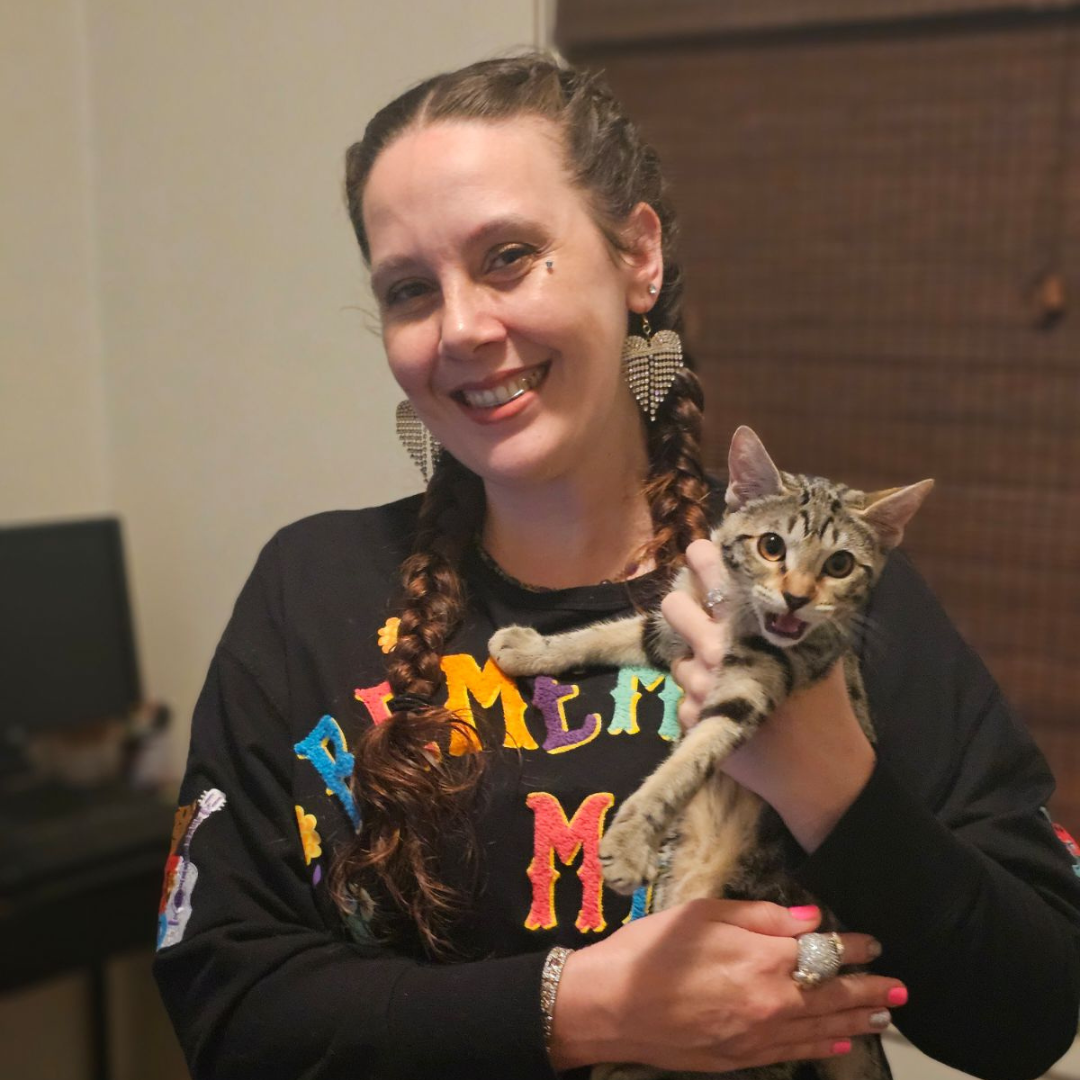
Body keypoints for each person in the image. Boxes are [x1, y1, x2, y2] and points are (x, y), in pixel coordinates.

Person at [153, 53, 1080, 1080]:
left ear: (637, 256)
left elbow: (1032, 1011)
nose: (461, 327)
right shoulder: (307, 590)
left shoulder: (822, 598)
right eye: (412, 289)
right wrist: (576, 1009)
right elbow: (227, 1007)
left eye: (508, 255)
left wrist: (830, 781)